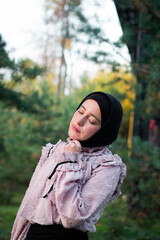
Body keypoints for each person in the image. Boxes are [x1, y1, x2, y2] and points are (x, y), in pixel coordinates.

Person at [11, 91, 126, 240]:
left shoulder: (107, 166)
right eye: (80, 111)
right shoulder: (55, 150)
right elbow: (29, 202)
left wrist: (69, 161)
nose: (80, 121)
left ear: (105, 130)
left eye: (92, 121)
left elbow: (72, 217)